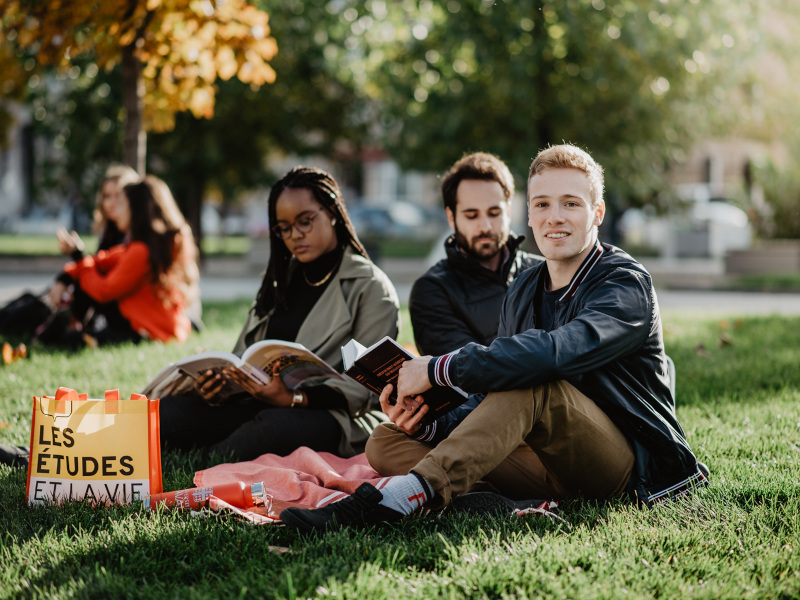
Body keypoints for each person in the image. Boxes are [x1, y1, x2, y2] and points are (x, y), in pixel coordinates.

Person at [279, 144, 708, 532]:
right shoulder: (524, 287)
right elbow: (491, 396)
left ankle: (400, 499)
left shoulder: (625, 283)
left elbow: (556, 354)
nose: (554, 217)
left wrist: (437, 368)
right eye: (542, 204)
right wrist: (430, 423)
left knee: (534, 380)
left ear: (597, 213)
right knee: (386, 440)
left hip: (622, 467)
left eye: (570, 204)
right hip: (540, 456)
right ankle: (486, 501)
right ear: (529, 215)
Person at [158, 166, 400, 462]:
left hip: (330, 415)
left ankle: (210, 460)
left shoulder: (372, 287)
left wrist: (292, 398)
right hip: (258, 402)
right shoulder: (279, 279)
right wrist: (218, 386)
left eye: (305, 222)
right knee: (167, 414)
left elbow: (367, 388)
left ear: (333, 212)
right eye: (284, 228)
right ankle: (215, 445)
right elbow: (244, 357)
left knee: (268, 432)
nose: (295, 235)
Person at [410, 152, 542, 357]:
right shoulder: (432, 291)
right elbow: (466, 374)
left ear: (508, 211)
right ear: (451, 217)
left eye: (494, 213)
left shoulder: (546, 272)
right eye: (471, 215)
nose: (485, 226)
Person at [47, 175, 198, 348]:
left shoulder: (141, 251)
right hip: (168, 326)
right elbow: (101, 261)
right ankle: (69, 327)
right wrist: (65, 276)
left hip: (147, 332)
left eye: (122, 204)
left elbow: (103, 291)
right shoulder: (159, 243)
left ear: (136, 210)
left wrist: (79, 262)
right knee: (90, 277)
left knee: (72, 339)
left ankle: (64, 330)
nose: (116, 210)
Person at [0, 165, 138, 338]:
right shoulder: (110, 231)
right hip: (92, 300)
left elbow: (102, 280)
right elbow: (95, 265)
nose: (112, 202)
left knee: (39, 307)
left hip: (108, 312)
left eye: (118, 196)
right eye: (107, 196)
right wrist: (64, 278)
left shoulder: (133, 239)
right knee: (32, 298)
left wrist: (77, 256)